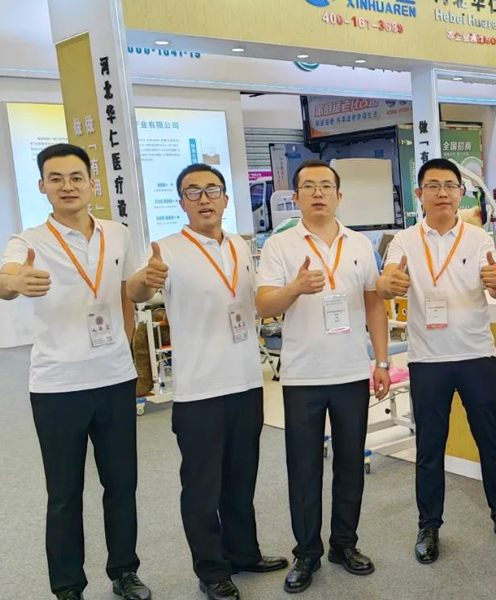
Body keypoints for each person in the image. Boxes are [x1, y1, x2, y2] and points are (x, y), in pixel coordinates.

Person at [127, 164, 287, 600]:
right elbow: (138, 292)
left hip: (246, 383)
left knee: (241, 478)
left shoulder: (238, 245)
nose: (204, 199)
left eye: (212, 190)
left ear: (225, 198)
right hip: (200, 391)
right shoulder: (167, 250)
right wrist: (144, 280)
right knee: (202, 487)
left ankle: (243, 552)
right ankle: (212, 569)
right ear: (182, 202)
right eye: (192, 192)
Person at [0, 144, 151, 600]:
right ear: (42, 186)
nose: (67, 186)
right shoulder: (29, 240)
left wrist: (125, 341)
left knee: (122, 484)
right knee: (64, 493)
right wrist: (14, 282)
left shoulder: (117, 233)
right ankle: (68, 585)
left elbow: (128, 292)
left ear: (92, 183)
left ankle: (124, 571)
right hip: (57, 385)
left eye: (76, 177)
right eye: (56, 178)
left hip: (115, 380)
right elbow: (6, 278)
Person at [377, 158, 496, 565]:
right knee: (429, 448)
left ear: (461, 193)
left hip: (476, 356)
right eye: (433, 185)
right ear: (419, 193)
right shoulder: (404, 241)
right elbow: (388, 281)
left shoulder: (477, 238)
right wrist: (389, 283)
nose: (442, 193)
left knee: (491, 442)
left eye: (450, 186)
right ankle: (428, 526)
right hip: (428, 360)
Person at [255, 159, 390, 594]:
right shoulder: (280, 245)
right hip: (302, 376)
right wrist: (294, 288)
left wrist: (381, 361)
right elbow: (263, 305)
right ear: (295, 197)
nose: (318, 193)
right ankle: (307, 553)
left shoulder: (360, 243)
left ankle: (344, 544)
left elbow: (374, 305)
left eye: (326, 186)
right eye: (309, 186)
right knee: (304, 468)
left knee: (350, 464)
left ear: (339, 195)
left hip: (350, 372)